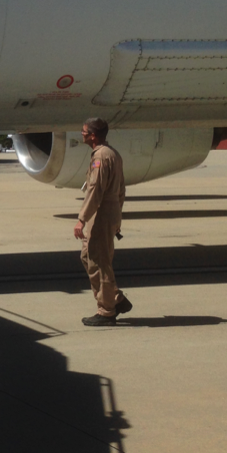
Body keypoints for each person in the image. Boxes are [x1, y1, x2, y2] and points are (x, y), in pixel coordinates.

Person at [73, 117, 132, 326]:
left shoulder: (101, 157)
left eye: (84, 131)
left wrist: (82, 219)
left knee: (99, 262)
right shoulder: (112, 154)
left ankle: (107, 311)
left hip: (101, 214)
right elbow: (122, 189)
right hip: (110, 212)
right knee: (88, 256)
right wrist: (117, 214)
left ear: (93, 135)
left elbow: (95, 191)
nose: (81, 133)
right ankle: (115, 299)